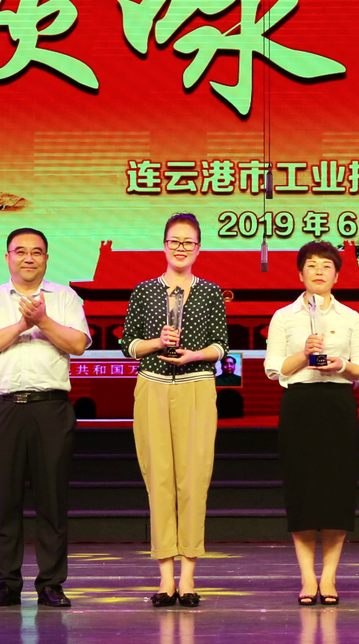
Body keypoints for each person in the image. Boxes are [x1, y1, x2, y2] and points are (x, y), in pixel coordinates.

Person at [0, 227, 89, 609]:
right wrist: (21, 325)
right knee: (4, 499)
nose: (28, 258)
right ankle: (6, 582)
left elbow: (79, 344)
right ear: (7, 257)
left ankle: (51, 583)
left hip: (50, 408)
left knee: (52, 499)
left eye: (37, 251)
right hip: (2, 409)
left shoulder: (65, 298)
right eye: (20, 251)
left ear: (47, 259)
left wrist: (43, 321)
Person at [120, 213, 229, 608]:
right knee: (159, 479)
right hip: (152, 385)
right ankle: (165, 578)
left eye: (188, 242)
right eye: (174, 241)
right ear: (164, 245)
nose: (181, 248)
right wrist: (155, 343)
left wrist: (195, 354)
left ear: (198, 248)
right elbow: (127, 345)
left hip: (196, 386)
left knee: (194, 480)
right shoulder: (144, 291)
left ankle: (188, 578)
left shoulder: (211, 292)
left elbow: (222, 345)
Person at [264, 240, 359, 606]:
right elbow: (274, 368)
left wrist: (341, 365)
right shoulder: (284, 316)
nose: (319, 271)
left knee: (336, 492)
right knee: (303, 491)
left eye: (327, 266)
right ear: (301, 274)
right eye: (311, 265)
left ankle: (329, 577)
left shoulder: (351, 317)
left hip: (338, 404)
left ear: (337, 276)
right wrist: (303, 354)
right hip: (300, 405)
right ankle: (307, 577)